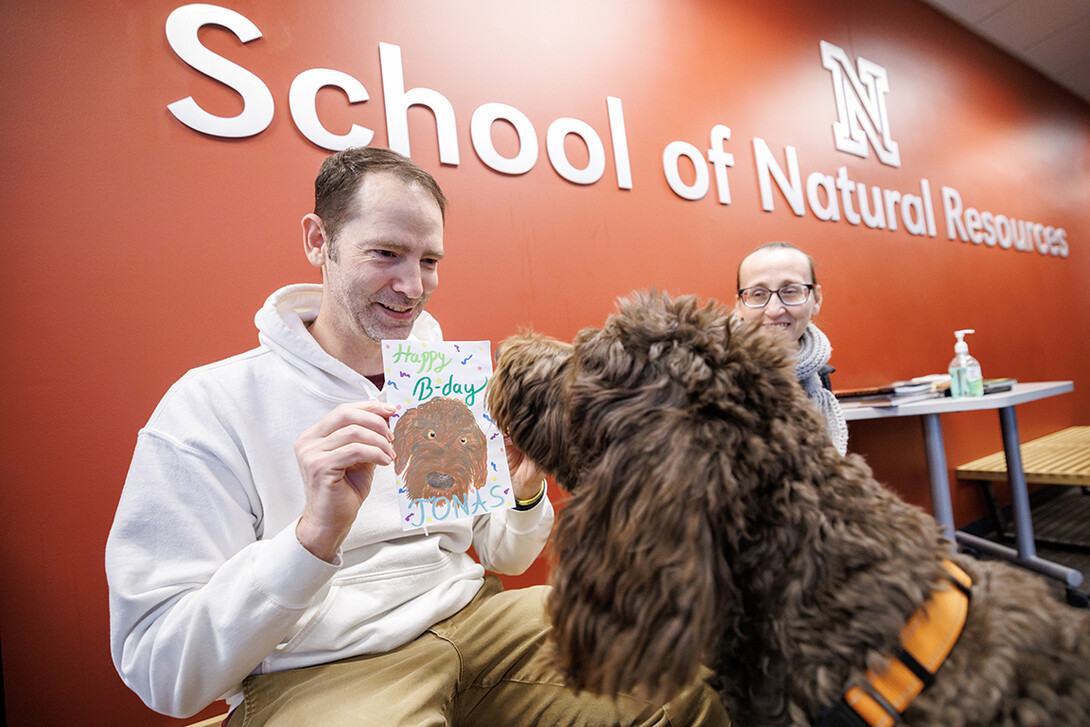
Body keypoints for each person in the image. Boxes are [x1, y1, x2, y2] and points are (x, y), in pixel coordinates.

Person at [106, 146, 729, 726]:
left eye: (428, 260)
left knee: (684, 687)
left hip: (474, 618)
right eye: (386, 255)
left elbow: (504, 557)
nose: (413, 286)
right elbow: (162, 673)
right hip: (322, 668)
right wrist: (311, 539)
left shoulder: (442, 378)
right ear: (318, 241)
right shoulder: (211, 404)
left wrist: (524, 488)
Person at [734, 241, 848, 455]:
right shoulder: (713, 377)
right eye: (758, 294)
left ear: (816, 299)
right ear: (740, 305)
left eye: (790, 291)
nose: (774, 310)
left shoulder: (817, 376)